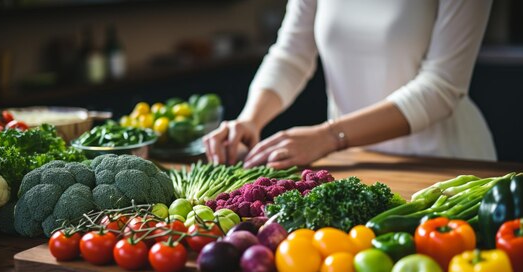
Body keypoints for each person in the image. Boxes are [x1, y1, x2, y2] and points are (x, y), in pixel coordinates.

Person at [203, 0, 496, 169]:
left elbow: (442, 86)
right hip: (352, 163)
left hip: (442, 164)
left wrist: (328, 136)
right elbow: (292, 53)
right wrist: (250, 120)